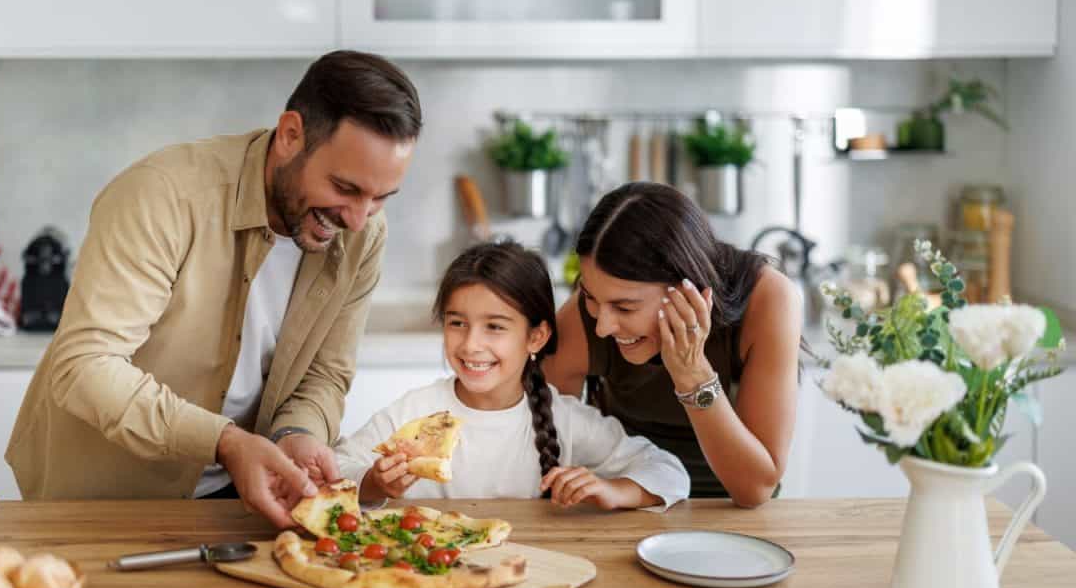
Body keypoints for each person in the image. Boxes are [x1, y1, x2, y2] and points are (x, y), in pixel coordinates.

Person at [7, 51, 422, 528]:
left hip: (237, 501)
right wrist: (225, 442)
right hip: (102, 499)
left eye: (380, 198)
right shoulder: (163, 196)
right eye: (344, 188)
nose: (356, 217)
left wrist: (298, 434)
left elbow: (324, 374)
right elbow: (85, 367)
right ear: (291, 136)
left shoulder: (364, 231)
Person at [334, 241, 690, 510]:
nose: (471, 344)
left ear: (536, 336)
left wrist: (612, 489)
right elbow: (334, 466)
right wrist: (373, 484)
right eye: (457, 323)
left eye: (495, 327)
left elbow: (669, 471)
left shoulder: (564, 419)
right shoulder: (414, 411)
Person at [543, 182, 802, 507]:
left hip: (733, 515)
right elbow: (546, 449)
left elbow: (754, 490)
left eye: (625, 308)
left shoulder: (769, 300)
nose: (603, 326)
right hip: (631, 507)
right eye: (590, 296)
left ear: (688, 289)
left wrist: (692, 374)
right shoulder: (585, 316)